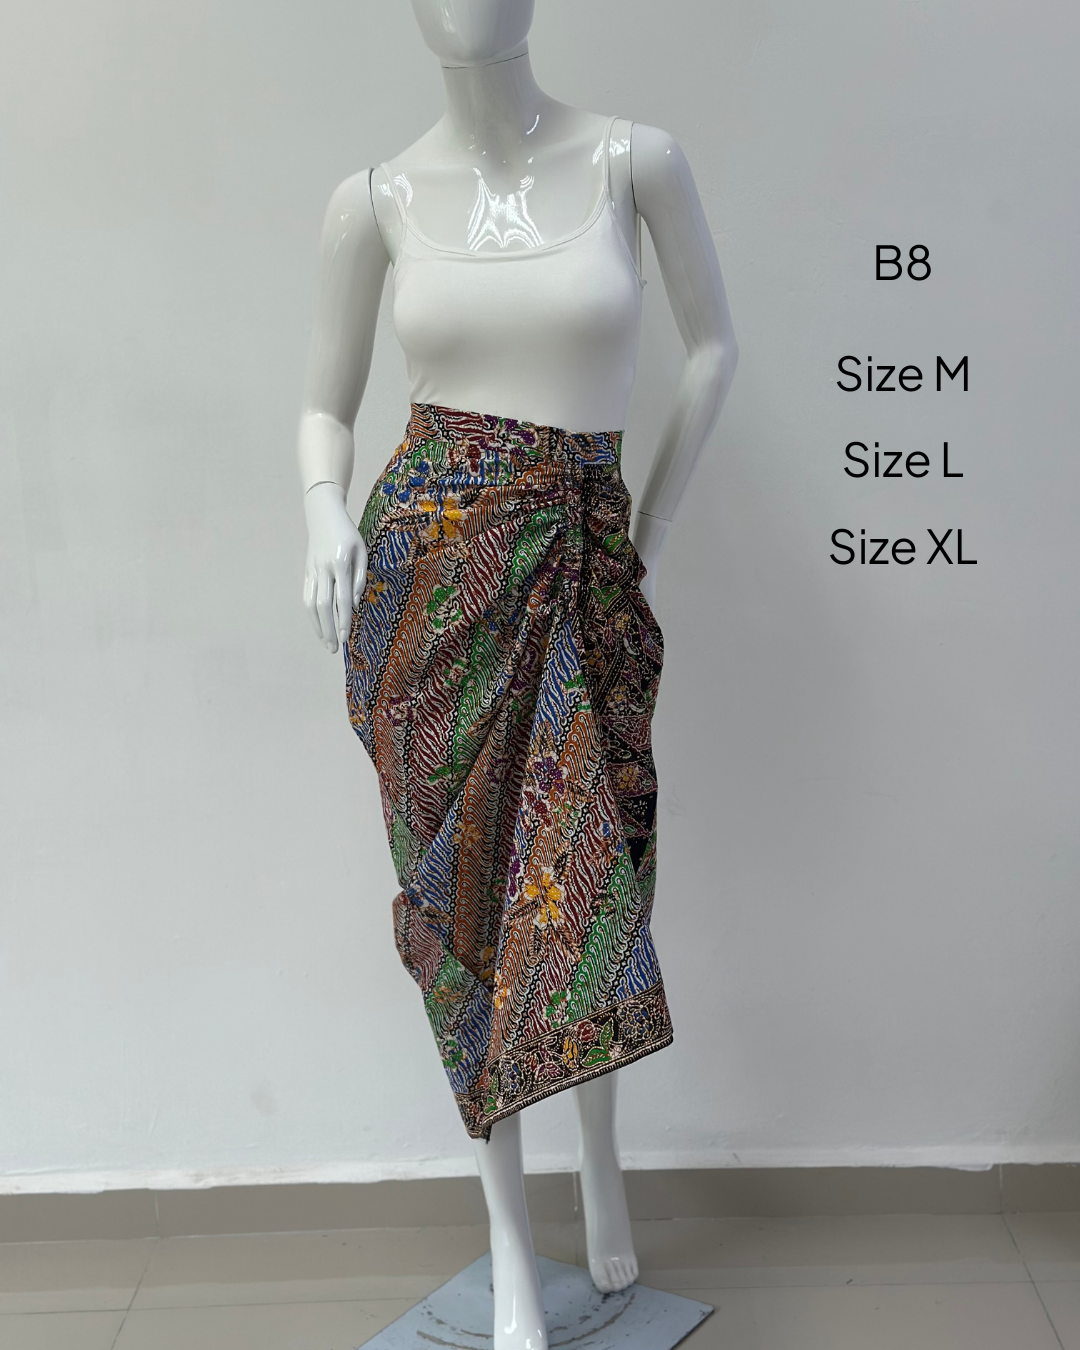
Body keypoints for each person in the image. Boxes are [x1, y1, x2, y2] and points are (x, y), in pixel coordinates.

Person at [297, 3, 738, 1345]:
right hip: (432, 583)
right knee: (472, 903)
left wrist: (647, 529)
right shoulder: (374, 199)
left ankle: (600, 1162)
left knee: (595, 875)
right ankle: (504, 1231)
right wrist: (321, 516)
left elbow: (715, 345)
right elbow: (323, 400)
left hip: (587, 566)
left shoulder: (633, 161)